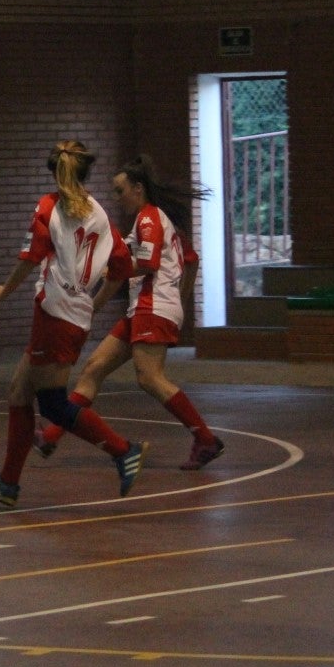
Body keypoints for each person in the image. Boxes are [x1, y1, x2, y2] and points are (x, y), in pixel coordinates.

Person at [0, 141, 147, 508]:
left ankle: (122, 450)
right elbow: (122, 270)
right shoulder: (100, 215)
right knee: (19, 391)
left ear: (55, 171)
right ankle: (8, 482)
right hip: (70, 315)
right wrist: (92, 305)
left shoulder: (49, 207)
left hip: (55, 316)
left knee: (51, 405)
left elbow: (30, 257)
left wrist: (4, 291)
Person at [34, 154, 224, 470]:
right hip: (147, 308)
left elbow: (147, 265)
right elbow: (190, 260)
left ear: (138, 188)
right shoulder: (157, 221)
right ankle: (51, 435)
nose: (117, 197)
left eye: (121, 190)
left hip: (152, 307)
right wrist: (180, 302)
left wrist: (131, 278)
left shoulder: (149, 218)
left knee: (150, 378)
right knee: (94, 367)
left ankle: (205, 438)